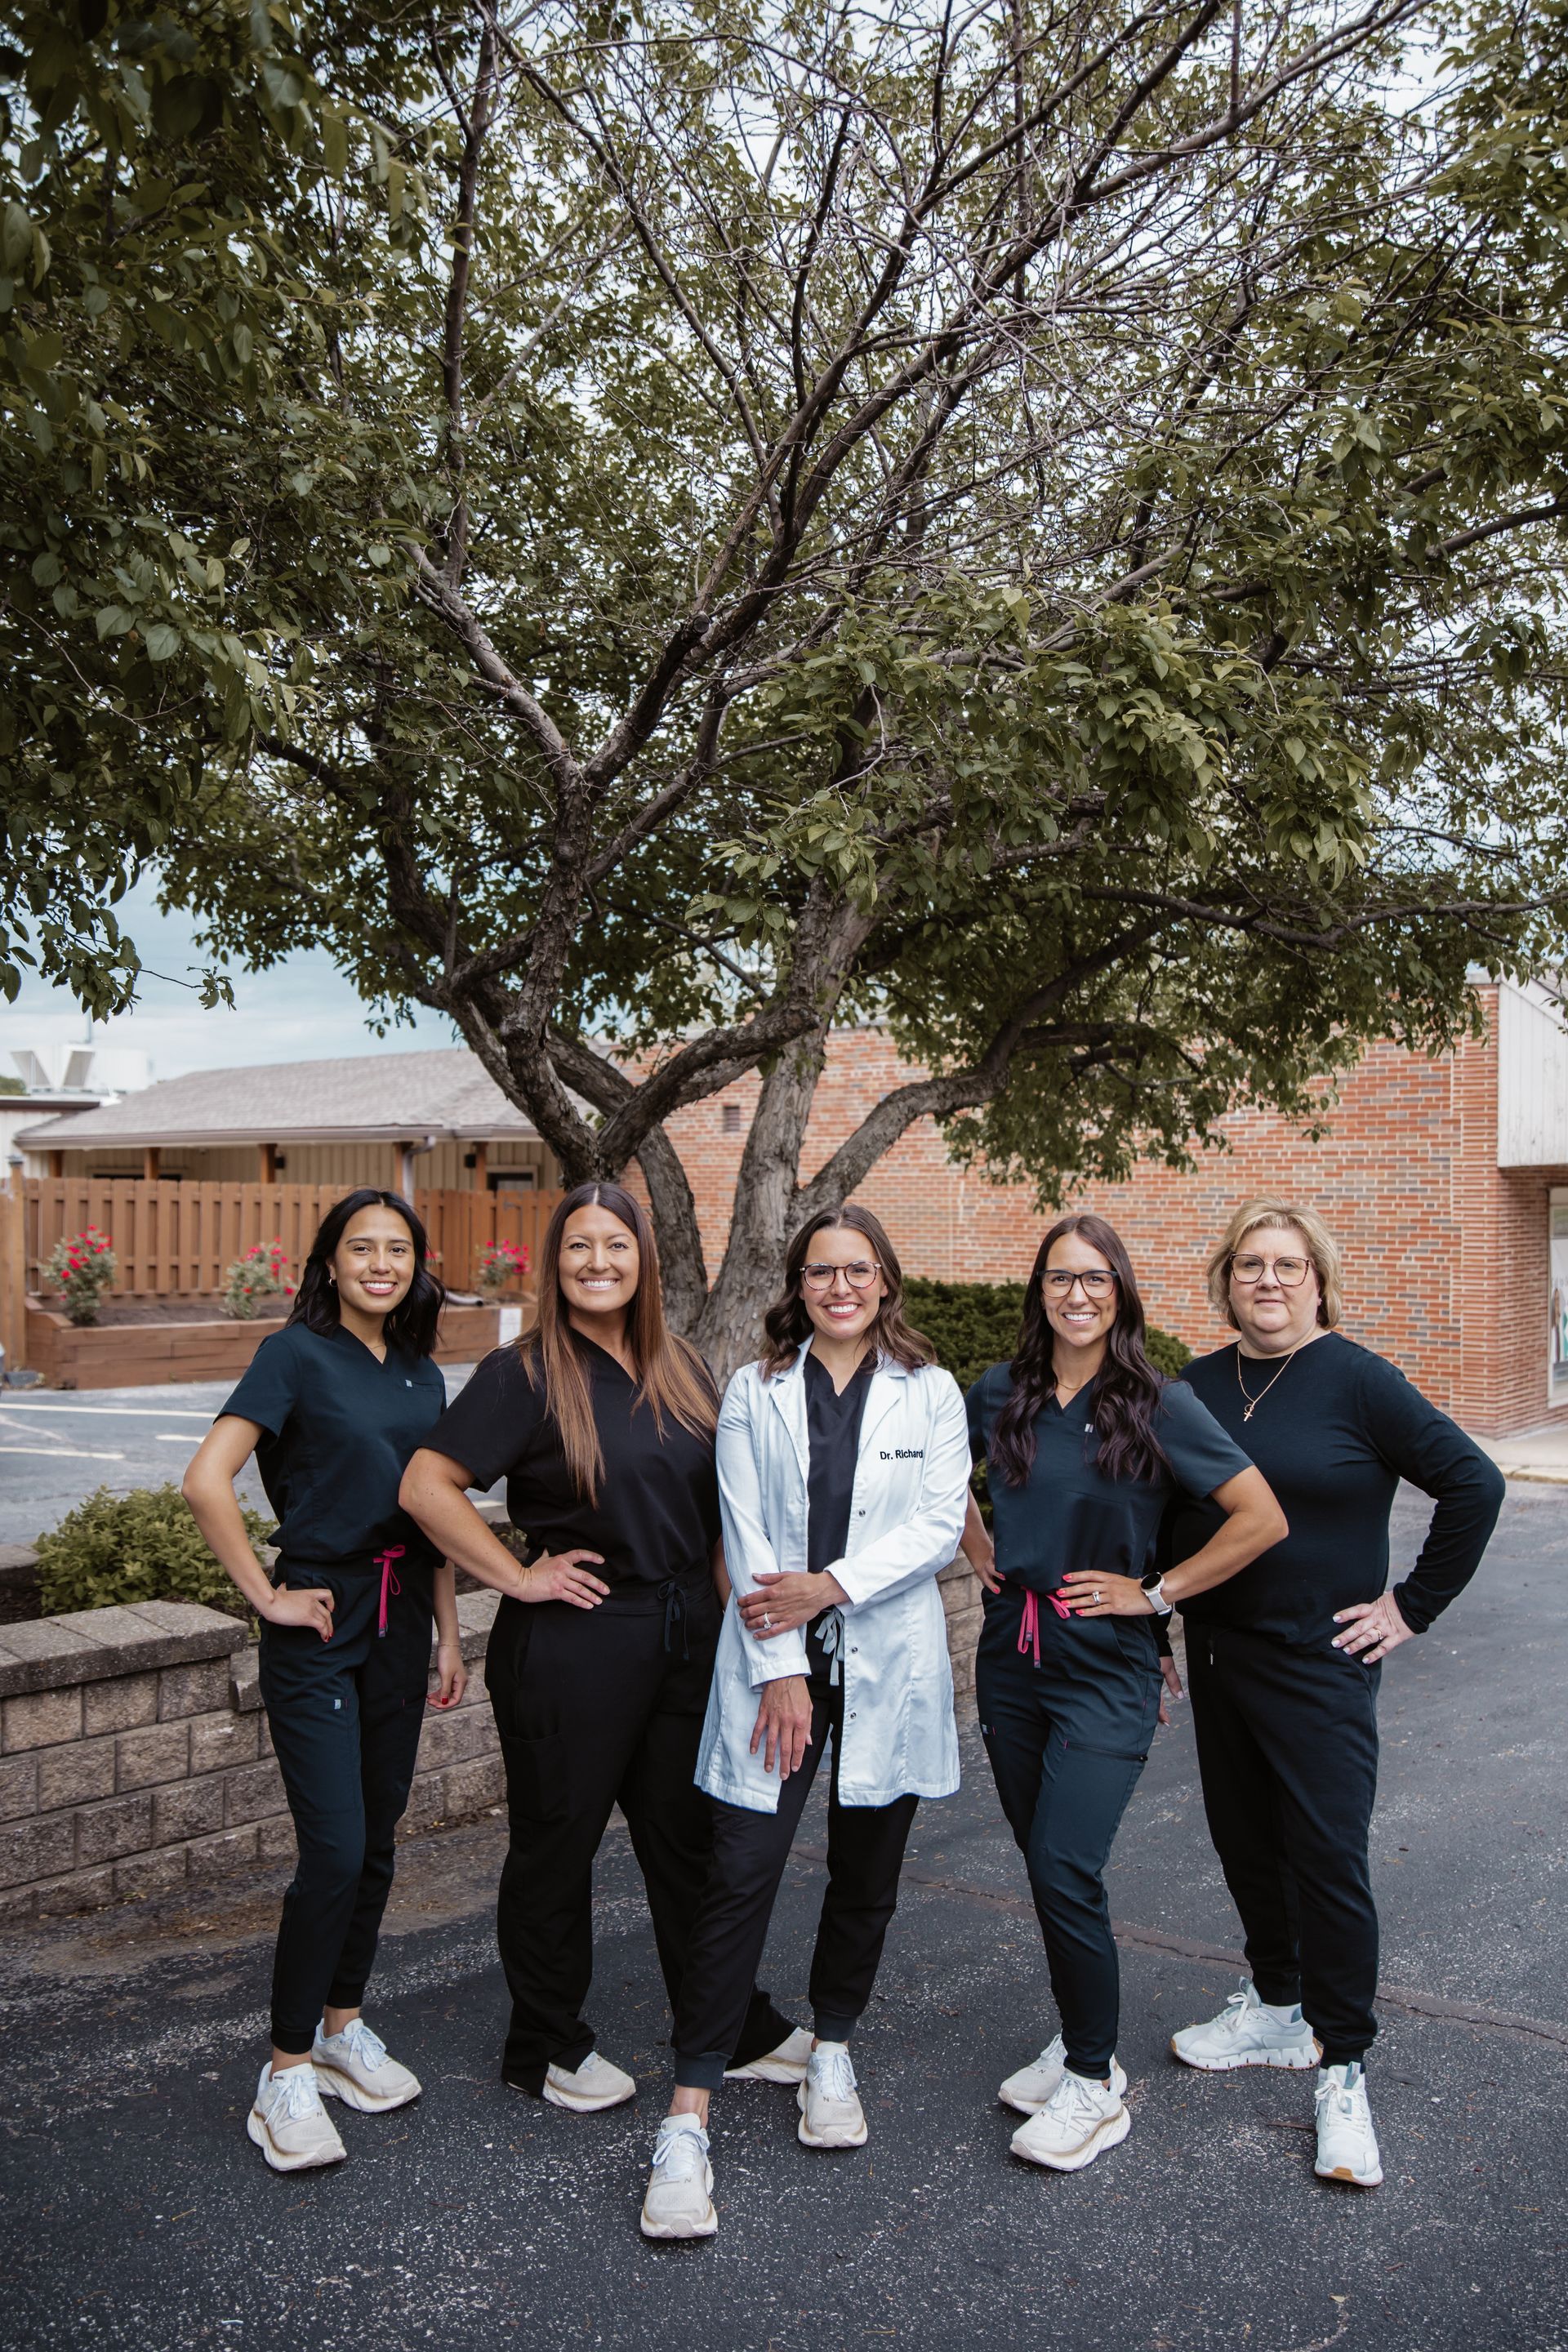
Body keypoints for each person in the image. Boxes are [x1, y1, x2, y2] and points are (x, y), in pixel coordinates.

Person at [399, 1182, 797, 2114]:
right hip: (576, 1640)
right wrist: (518, 1576)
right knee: (557, 1849)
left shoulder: (685, 1366)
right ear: (555, 1262)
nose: (597, 1263)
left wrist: (737, 1610)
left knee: (687, 1846)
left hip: (683, 1637)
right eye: (578, 1246)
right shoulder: (525, 1373)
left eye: (616, 1246)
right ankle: (543, 2046)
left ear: (643, 1260)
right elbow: (426, 1485)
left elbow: (717, 1510)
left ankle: (728, 2026)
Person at [639, 1205, 972, 2241]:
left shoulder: (933, 1390)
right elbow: (741, 1531)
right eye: (821, 1271)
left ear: (885, 1282)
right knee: (739, 1870)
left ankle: (831, 2049)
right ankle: (689, 2110)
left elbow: (935, 1523)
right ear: (799, 1284)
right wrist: (782, 1670)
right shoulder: (754, 1388)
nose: (840, 1287)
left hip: (885, 1656)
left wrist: (828, 1586)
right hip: (774, 1665)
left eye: (858, 1270)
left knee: (867, 1871)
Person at [1165, 1198, 1504, 2189]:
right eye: (1250, 1265)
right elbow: (1168, 1516)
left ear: (1319, 1278)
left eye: (1288, 1265)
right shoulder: (1194, 1385)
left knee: (1325, 1859)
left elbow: (1473, 1485)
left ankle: (1344, 2063)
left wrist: (1410, 1607)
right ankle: (1276, 2008)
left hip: (1321, 1664)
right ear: (1226, 1279)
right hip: (1221, 1656)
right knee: (1243, 1843)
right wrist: (1157, 1628)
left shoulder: (1358, 1379)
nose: (1267, 1281)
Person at [965, 1212, 1287, 2174]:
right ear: (1040, 1292)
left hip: (1106, 1662)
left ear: (1122, 1294)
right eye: (1061, 1279)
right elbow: (933, 1482)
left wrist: (1156, 1595)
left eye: (1096, 1280)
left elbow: (1259, 1518)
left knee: (1067, 1866)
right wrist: (976, 1545)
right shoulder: (1000, 1393)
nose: (1077, 1296)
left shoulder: (1156, 1403)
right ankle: (1074, 2037)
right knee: (1041, 1861)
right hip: (1009, 1655)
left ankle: (1097, 2083)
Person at [183, 1189, 468, 2173]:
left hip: (400, 1628)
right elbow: (205, 1478)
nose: (381, 1264)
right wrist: (265, 1595)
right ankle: (285, 2073)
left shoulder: (424, 1375)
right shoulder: (292, 1354)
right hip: (320, 1623)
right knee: (335, 1851)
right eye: (362, 1248)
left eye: (398, 1249)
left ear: (416, 1265)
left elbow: (433, 1517)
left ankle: (344, 2027)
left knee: (378, 1841)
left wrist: (448, 1634)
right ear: (332, 1261)